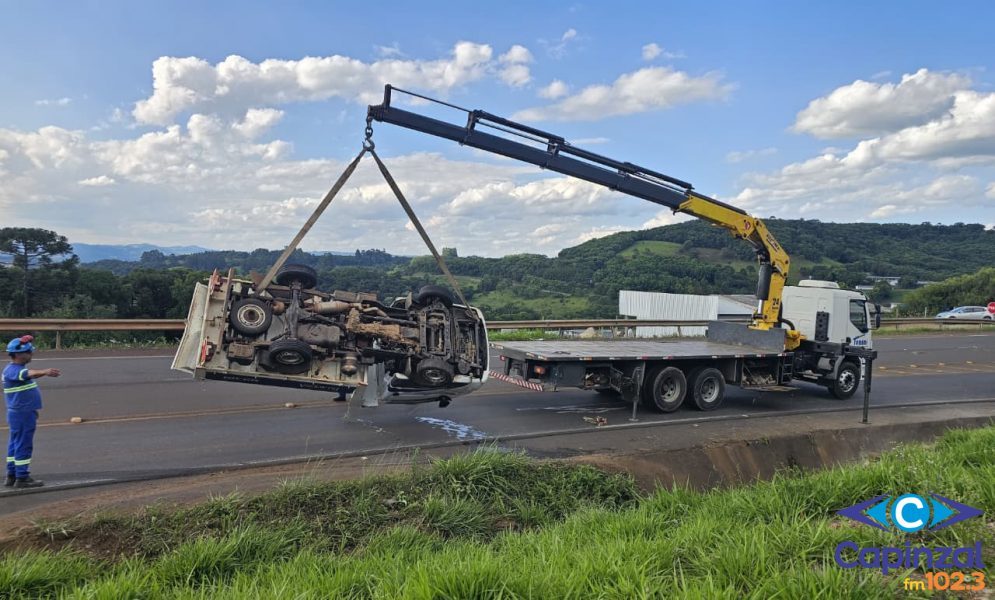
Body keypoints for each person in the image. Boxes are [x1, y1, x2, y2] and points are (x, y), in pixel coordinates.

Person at [4, 335, 59, 489]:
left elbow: (29, 375)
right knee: (23, 444)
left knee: (15, 443)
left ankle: (12, 475)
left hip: (23, 412)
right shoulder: (13, 370)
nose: (31, 354)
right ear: (19, 354)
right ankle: (22, 477)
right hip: (22, 414)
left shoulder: (16, 369)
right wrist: (46, 371)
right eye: (29, 352)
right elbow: (30, 374)